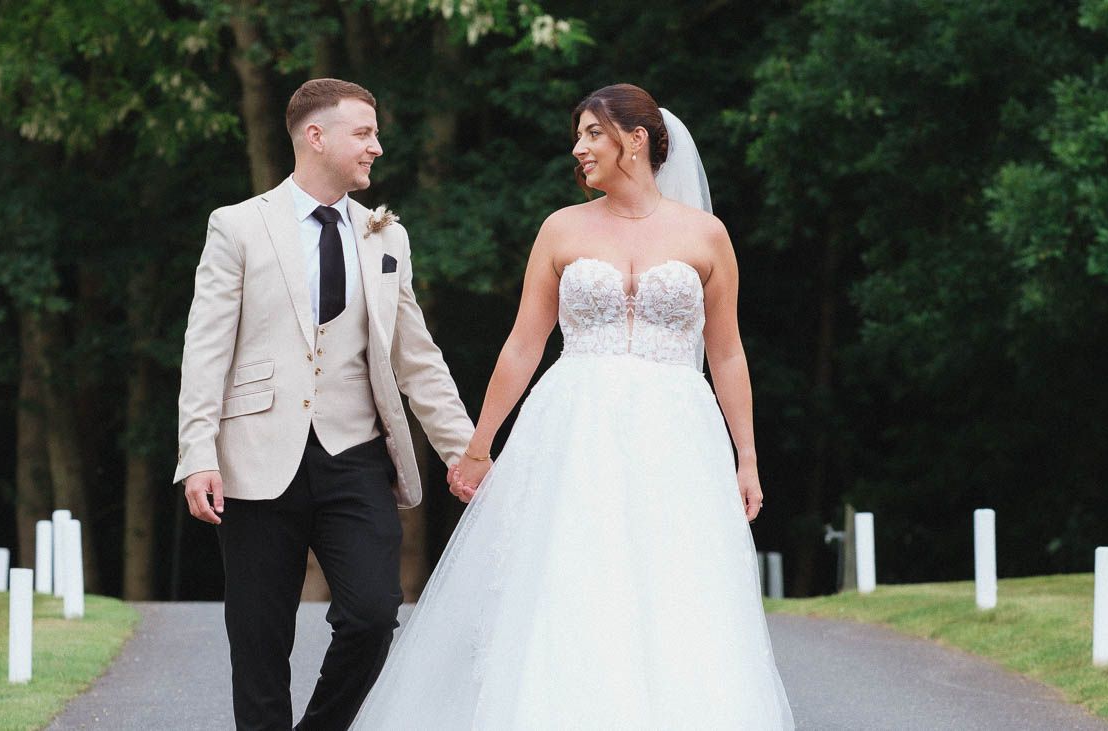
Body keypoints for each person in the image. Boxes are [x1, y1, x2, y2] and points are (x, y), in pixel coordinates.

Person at [350, 83, 794, 729]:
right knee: (573, 585)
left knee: (678, 590)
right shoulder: (561, 228)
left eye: (592, 133)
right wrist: (479, 444)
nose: (578, 147)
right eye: (578, 134)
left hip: (678, 436)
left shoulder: (707, 235)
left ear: (636, 141)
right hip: (575, 428)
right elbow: (525, 344)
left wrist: (747, 457)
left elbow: (726, 354)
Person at [173, 78, 477, 731]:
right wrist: (198, 454)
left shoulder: (386, 237)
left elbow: (417, 357)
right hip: (255, 459)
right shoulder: (238, 226)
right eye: (363, 133)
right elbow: (206, 349)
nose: (377, 146)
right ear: (317, 136)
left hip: (357, 457)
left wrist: (466, 451)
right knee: (258, 638)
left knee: (371, 614)